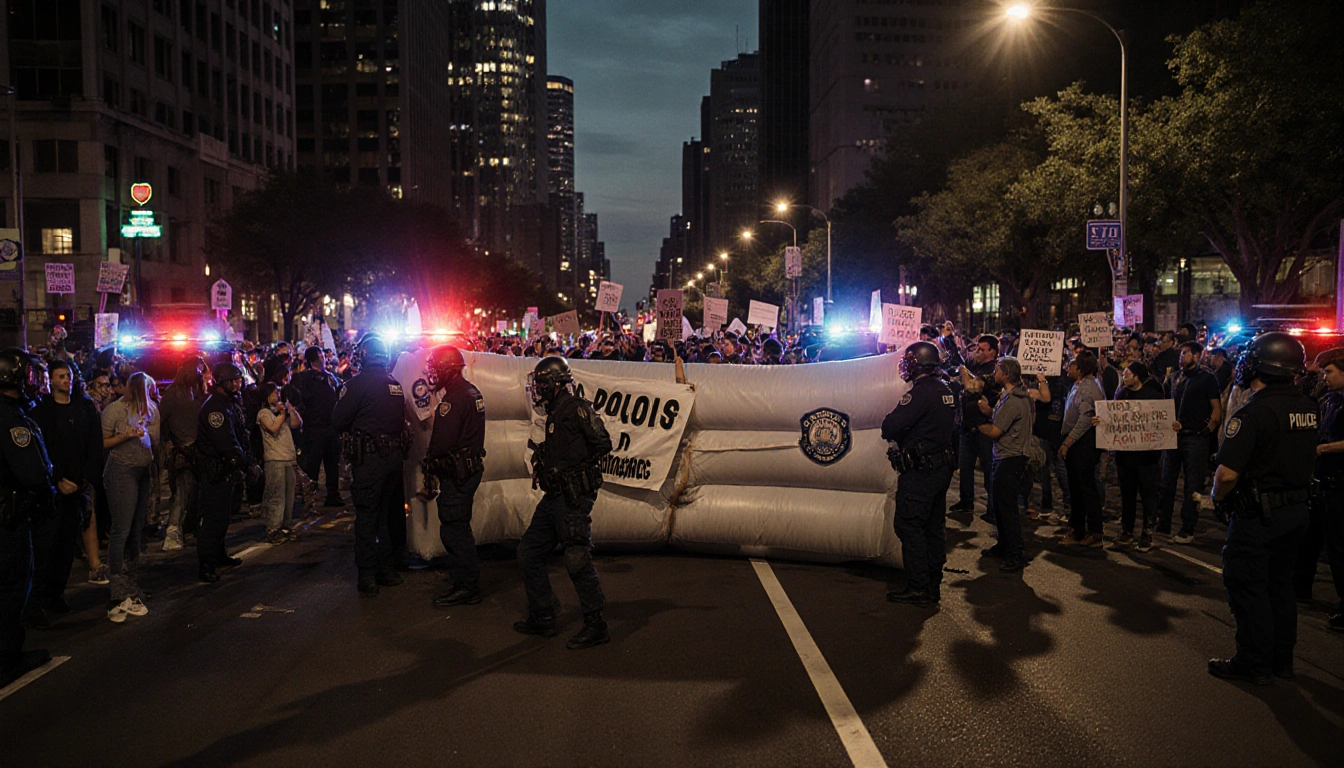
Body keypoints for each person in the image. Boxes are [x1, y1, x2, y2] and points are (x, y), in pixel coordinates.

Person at [1208, 332, 1317, 685]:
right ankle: (1281, 661)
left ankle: (1253, 661)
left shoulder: (1253, 413)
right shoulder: (1307, 407)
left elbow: (1226, 475)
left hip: (1260, 515)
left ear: (1257, 365)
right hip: (1297, 511)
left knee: (1247, 585)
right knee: (1280, 587)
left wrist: (1217, 498)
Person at [515, 356, 613, 650]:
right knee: (528, 552)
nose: (539, 390)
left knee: (576, 559)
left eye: (544, 384)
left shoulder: (577, 408)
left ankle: (596, 624)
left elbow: (603, 443)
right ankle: (544, 614)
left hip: (572, 497)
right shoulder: (555, 411)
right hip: (554, 496)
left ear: (558, 384)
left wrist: (574, 471)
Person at [26, 360, 102, 628]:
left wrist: (84, 479)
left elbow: (95, 445)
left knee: (67, 545)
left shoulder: (84, 409)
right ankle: (36, 600)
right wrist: (57, 479)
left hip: (77, 488)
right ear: (52, 380)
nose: (66, 381)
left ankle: (56, 594)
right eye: (60, 376)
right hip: (52, 490)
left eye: (68, 376)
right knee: (46, 546)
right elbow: (38, 450)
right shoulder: (42, 412)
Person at [881, 341, 957, 605]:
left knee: (909, 524)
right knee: (934, 526)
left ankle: (918, 586)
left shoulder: (920, 393)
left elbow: (890, 426)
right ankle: (933, 584)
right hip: (941, 466)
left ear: (918, 364)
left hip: (921, 470)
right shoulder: (946, 389)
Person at [331, 334, 407, 597]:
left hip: (370, 461)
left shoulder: (357, 384)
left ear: (363, 355)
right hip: (393, 460)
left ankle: (367, 575)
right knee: (384, 517)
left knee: (366, 517)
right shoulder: (394, 384)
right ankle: (386, 570)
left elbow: (338, 419)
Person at [0, 348, 53, 686]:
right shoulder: (11, 419)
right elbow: (33, 472)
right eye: (30, 376)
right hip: (8, 519)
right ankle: (8, 658)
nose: (33, 383)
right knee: (12, 585)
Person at [423, 345, 488, 607]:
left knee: (454, 531)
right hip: (469, 469)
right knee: (459, 527)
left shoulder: (452, 401)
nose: (433, 374)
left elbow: (441, 443)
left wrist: (429, 462)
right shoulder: (472, 392)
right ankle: (465, 581)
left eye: (437, 369)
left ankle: (467, 587)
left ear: (448, 371)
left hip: (458, 474)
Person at [100, 372, 159, 623]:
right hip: (121, 470)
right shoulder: (114, 410)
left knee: (136, 530)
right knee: (121, 529)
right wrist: (126, 435)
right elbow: (104, 442)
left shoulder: (152, 409)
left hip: (142, 470)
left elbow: (155, 442)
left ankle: (132, 585)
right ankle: (117, 591)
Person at [1159, 341, 1224, 543]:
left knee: (1192, 484)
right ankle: (1163, 523)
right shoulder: (1174, 378)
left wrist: (1206, 431)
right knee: (1167, 481)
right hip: (1173, 437)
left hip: (1195, 438)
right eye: (1181, 353)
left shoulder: (1207, 378)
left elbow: (1216, 408)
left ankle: (1188, 528)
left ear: (1197, 356)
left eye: (1185, 353)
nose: (1181, 357)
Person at [195, 363, 251, 583]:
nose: (238, 383)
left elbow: (240, 435)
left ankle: (218, 555)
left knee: (223, 517)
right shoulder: (215, 408)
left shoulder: (229, 403)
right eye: (234, 380)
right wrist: (244, 464)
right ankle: (206, 565)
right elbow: (226, 442)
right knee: (213, 520)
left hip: (226, 471)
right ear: (224, 382)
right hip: (215, 472)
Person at [978, 357, 1034, 572]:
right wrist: (988, 412)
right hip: (1005, 456)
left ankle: (1014, 553)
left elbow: (995, 431)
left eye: (997, 370)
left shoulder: (1014, 400)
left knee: (1007, 508)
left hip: (1010, 458)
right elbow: (1002, 419)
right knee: (1000, 506)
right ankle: (1003, 546)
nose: (994, 373)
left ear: (1006, 374)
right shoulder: (1012, 396)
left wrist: (978, 427)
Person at [1102, 362, 1164, 551]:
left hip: (1147, 457)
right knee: (1127, 494)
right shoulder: (1121, 394)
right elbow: (1113, 418)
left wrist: (1172, 426)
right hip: (1125, 455)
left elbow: (1162, 420)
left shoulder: (1153, 396)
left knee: (1147, 495)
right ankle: (1127, 531)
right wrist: (1102, 420)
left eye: (1127, 374)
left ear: (1137, 376)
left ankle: (1147, 532)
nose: (1124, 377)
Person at [1304, 348, 1344, 630]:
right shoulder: (1328, 400)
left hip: (1340, 483)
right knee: (1317, 542)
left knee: (1340, 548)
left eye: (1329, 372)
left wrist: (1323, 449)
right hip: (1323, 483)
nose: (1324, 376)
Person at [158, 357, 206, 551]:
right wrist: (169, 444)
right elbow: (163, 423)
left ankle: (189, 527)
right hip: (182, 451)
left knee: (195, 493)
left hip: (199, 450)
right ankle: (173, 529)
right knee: (181, 493)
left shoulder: (196, 393)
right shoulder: (173, 395)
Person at [1059, 351, 1105, 547]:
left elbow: (1085, 419)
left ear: (1080, 368)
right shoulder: (1081, 385)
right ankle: (1077, 529)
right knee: (1076, 488)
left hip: (1083, 444)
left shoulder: (1088, 389)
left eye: (1072, 365)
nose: (1068, 368)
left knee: (1085, 488)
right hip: (1079, 443)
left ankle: (1094, 532)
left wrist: (1068, 442)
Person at [951, 335, 1000, 515]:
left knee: (988, 470)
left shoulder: (996, 370)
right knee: (965, 467)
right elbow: (958, 362)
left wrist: (963, 369)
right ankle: (966, 501)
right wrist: (950, 340)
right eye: (977, 348)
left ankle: (993, 508)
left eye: (981, 349)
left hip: (985, 427)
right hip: (968, 426)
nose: (977, 352)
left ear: (992, 351)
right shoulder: (975, 366)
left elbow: (973, 385)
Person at [291, 346, 344, 508]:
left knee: (332, 462)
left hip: (331, 426)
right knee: (312, 463)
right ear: (313, 358)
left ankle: (332, 494)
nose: (324, 358)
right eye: (321, 355)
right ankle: (309, 496)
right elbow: (300, 400)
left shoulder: (330, 376)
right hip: (314, 427)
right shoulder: (304, 378)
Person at [256, 382, 302, 545]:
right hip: (274, 460)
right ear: (267, 396)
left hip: (288, 459)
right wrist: (282, 413)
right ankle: (273, 529)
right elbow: (273, 428)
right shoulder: (264, 413)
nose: (277, 396)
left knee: (289, 497)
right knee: (277, 496)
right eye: (275, 394)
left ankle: (286, 527)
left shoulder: (282, 413)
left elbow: (297, 424)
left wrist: (290, 410)